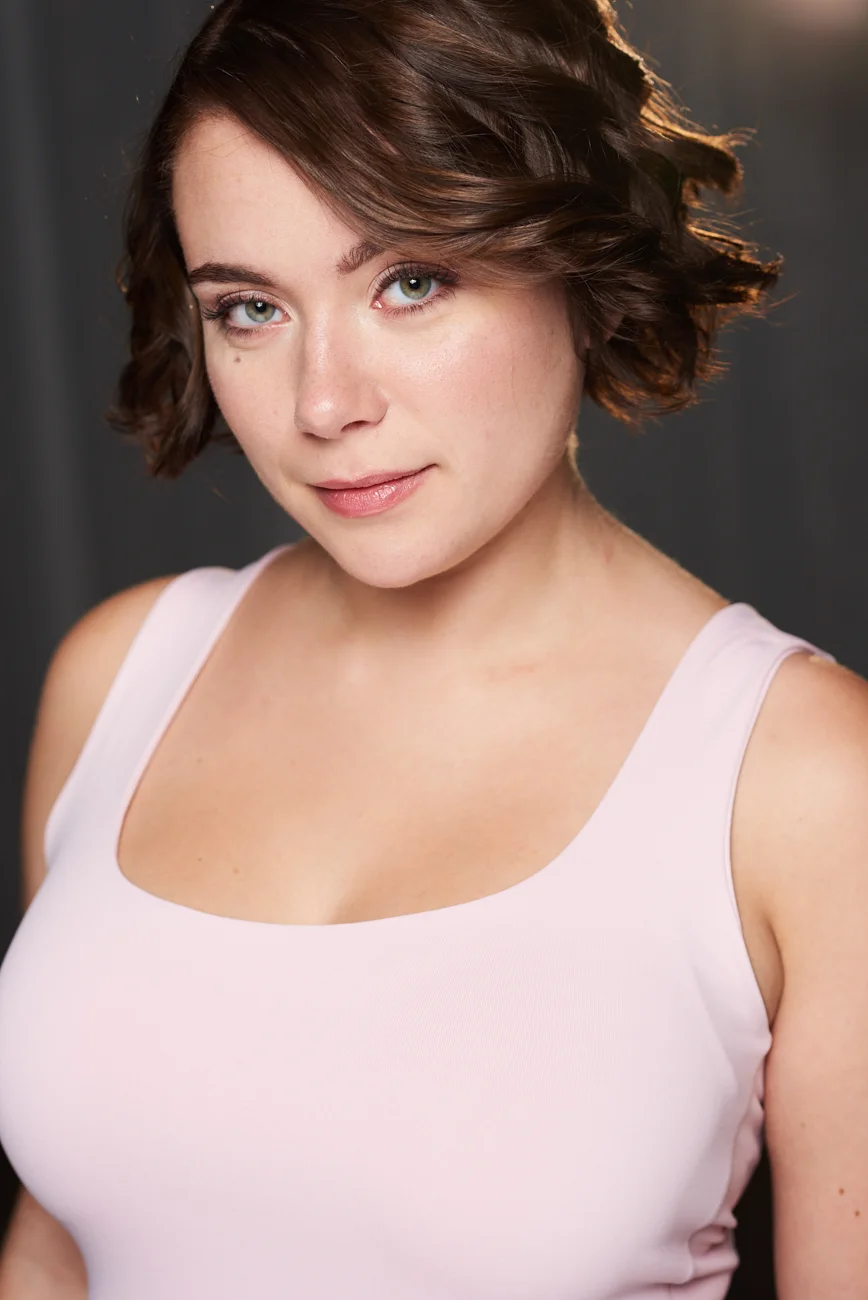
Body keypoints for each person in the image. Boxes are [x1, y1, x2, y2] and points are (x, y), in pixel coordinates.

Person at [0, 0, 866, 1295]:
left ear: (579, 257)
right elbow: (56, 1248)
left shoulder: (804, 780)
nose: (325, 403)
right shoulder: (120, 676)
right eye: (250, 308)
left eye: (411, 281)